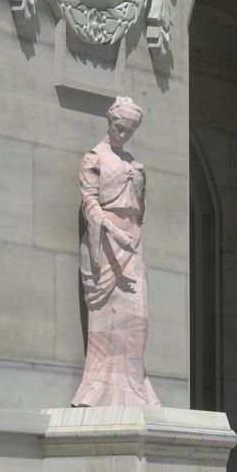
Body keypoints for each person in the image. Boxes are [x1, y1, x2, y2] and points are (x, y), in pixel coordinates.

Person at [71, 98, 159, 407]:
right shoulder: (94, 159)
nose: (122, 133)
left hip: (133, 245)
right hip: (106, 245)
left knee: (139, 316)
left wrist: (130, 231)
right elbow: (90, 202)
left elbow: (141, 210)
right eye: (119, 127)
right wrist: (111, 230)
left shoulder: (136, 166)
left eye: (129, 130)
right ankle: (103, 387)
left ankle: (134, 384)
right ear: (110, 122)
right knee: (109, 319)